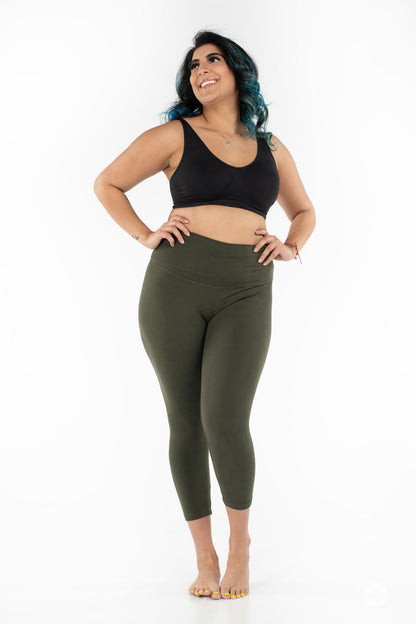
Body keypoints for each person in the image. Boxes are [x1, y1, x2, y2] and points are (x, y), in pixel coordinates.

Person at [93, 29, 316, 601]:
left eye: (213, 60)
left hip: (247, 289)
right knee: (186, 422)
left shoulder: (271, 147)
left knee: (225, 418)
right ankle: (205, 557)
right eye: (193, 65)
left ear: (238, 71)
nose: (201, 70)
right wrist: (145, 234)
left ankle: (240, 546)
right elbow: (108, 183)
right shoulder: (174, 135)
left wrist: (291, 245)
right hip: (175, 285)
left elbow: (304, 210)